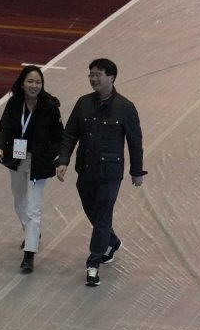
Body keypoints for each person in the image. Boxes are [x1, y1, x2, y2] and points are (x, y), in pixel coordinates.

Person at [57, 58, 145, 287]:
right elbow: (70, 134)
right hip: (85, 171)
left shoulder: (125, 107)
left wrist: (137, 171)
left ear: (111, 77)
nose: (93, 79)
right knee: (95, 214)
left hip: (110, 174)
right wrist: (63, 160)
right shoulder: (83, 103)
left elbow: (135, 142)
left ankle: (93, 263)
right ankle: (112, 242)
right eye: (91, 75)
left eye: (98, 75)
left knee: (102, 216)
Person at [0, 65, 64, 273]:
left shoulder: (50, 106)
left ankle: (29, 253)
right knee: (19, 203)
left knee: (33, 207)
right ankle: (33, 232)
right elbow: (4, 127)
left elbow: (58, 138)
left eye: (38, 82)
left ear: (42, 85)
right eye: (30, 81)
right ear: (22, 83)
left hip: (38, 163)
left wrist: (48, 157)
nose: (34, 85)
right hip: (17, 159)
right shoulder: (14, 103)